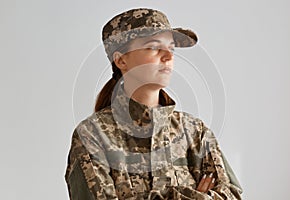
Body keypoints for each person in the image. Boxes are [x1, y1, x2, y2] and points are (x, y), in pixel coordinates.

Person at [65, 8, 243, 200]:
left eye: (171, 48)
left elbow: (232, 195)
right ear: (121, 60)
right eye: (153, 47)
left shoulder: (195, 132)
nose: (168, 56)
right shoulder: (93, 136)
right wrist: (195, 196)